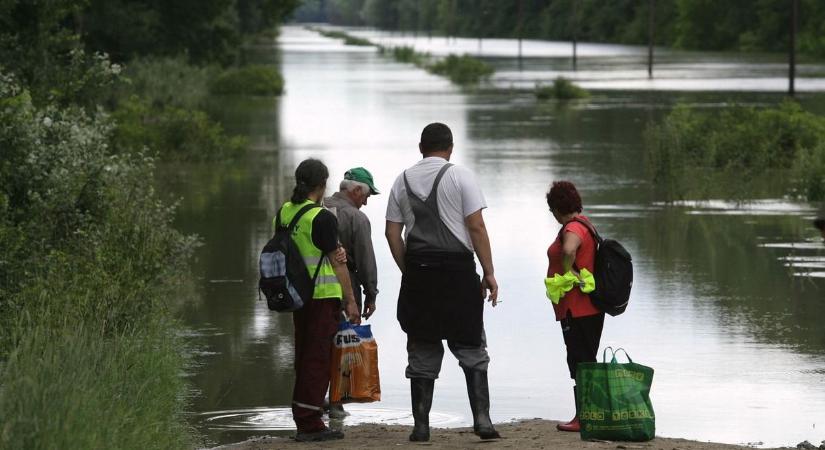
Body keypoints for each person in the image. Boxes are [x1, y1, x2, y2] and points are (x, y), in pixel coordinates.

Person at [385, 122, 500, 442]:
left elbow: (392, 234)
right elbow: (476, 226)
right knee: (471, 343)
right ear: (450, 148)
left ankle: (421, 427)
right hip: (458, 273)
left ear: (421, 147)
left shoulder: (400, 181)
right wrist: (488, 271)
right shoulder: (462, 176)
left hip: (419, 273)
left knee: (421, 345)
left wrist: (408, 271)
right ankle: (483, 421)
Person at [276, 158, 360, 442]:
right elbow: (338, 265)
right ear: (322, 185)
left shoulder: (285, 212)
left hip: (296, 296)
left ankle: (304, 412)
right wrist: (351, 300)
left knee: (304, 355)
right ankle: (309, 422)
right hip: (322, 297)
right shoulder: (322, 218)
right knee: (318, 359)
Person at [545, 180, 604, 433]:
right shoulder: (585, 223)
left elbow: (569, 250)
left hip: (578, 309)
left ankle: (584, 417)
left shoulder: (573, 227)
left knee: (581, 361)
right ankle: (588, 414)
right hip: (586, 308)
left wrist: (570, 274)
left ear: (558, 207)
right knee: (584, 360)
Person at [323, 167, 380, 419]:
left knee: (318, 345)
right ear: (356, 190)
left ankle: (313, 400)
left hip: (312, 291)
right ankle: (335, 403)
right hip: (345, 290)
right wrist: (371, 294)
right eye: (366, 196)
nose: (366, 202)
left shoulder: (319, 207)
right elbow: (366, 260)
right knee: (342, 346)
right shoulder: (357, 218)